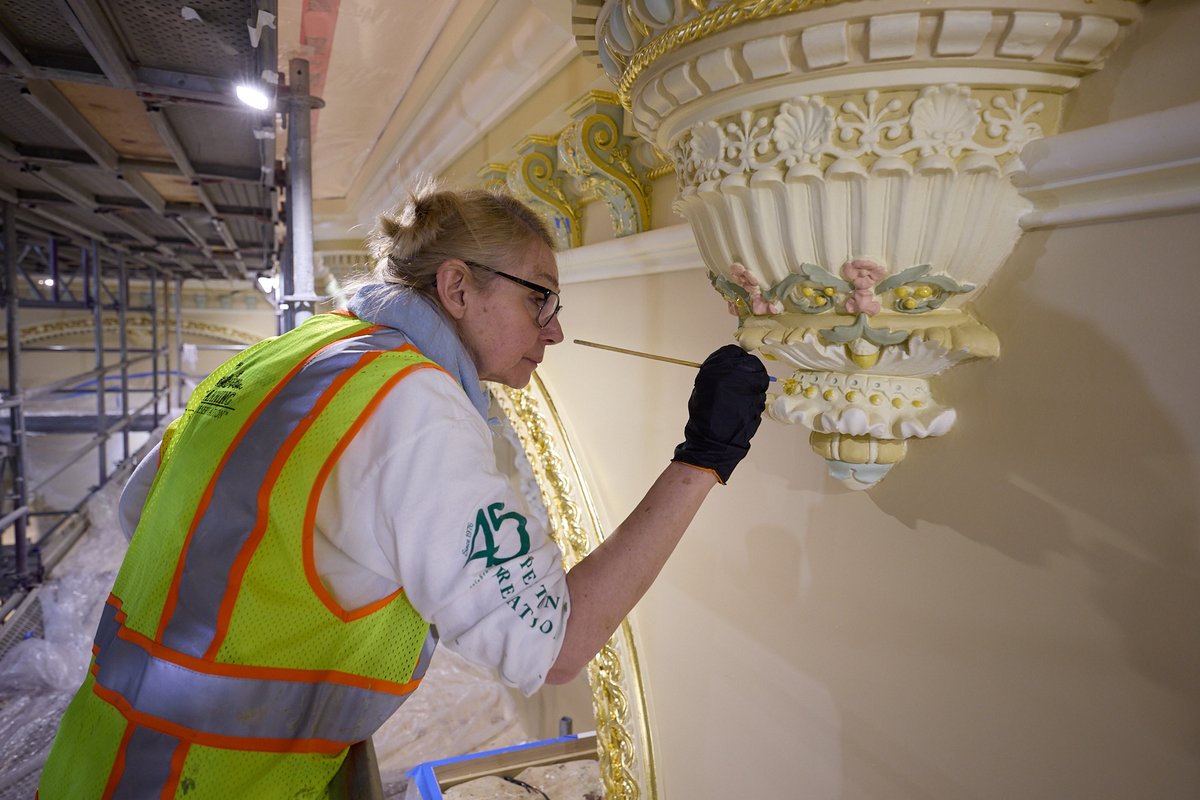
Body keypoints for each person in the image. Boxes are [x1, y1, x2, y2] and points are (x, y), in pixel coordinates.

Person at [37, 183, 769, 798]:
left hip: (96, 757)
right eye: (541, 299)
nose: (555, 332)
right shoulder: (415, 407)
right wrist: (704, 457)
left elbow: (142, 510)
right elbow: (555, 647)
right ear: (456, 286)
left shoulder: (293, 350)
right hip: (218, 778)